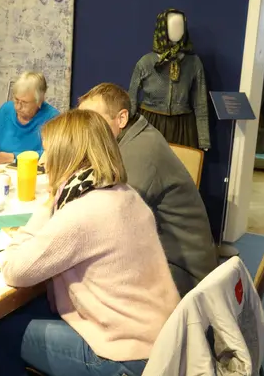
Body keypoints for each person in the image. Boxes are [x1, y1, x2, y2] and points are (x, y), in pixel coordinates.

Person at [0, 110, 180, 376]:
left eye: (48, 152)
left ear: (66, 156)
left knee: (0, 329)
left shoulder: (81, 212)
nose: (44, 161)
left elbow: (14, 270)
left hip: (128, 356)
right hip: (164, 340)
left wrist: (47, 204)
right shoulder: (126, 194)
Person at [78, 83, 218, 295]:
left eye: (92, 120)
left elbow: (109, 222)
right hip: (162, 256)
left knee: (87, 281)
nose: (85, 129)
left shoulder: (140, 152)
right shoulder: (132, 136)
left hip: (184, 274)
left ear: (121, 118)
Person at [0, 71, 59, 164]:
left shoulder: (53, 118)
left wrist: (13, 157)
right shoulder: (7, 109)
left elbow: (53, 154)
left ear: (39, 101)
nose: (18, 107)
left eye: (24, 103)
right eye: (16, 100)